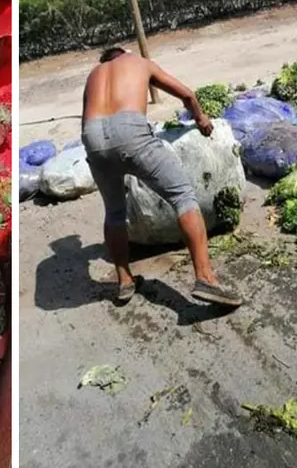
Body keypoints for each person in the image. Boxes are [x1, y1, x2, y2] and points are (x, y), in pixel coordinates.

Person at [80, 46, 243, 307]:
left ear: (105, 60)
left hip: (93, 138)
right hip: (130, 130)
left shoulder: (94, 74)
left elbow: (86, 121)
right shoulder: (139, 61)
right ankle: (205, 278)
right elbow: (187, 95)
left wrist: (98, 160)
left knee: (113, 212)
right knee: (183, 196)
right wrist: (200, 118)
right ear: (125, 52)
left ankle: (124, 281)